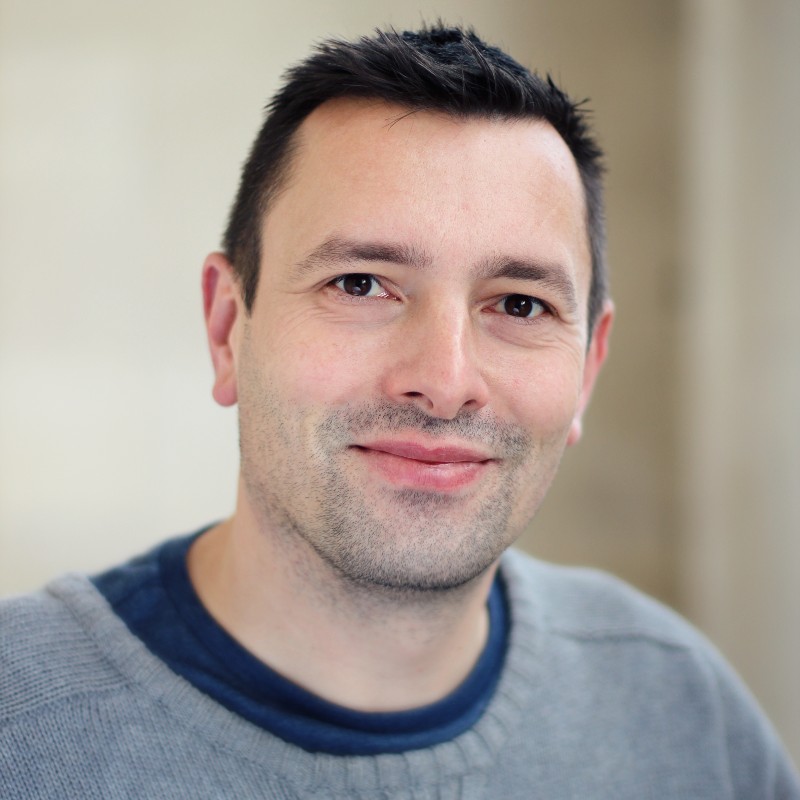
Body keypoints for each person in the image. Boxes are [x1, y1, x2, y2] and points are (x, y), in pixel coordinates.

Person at [1, 23, 797, 799]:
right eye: (360, 285)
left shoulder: (683, 713)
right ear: (227, 328)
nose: (445, 382)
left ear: (588, 366)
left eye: (520, 304)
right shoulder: (20, 728)